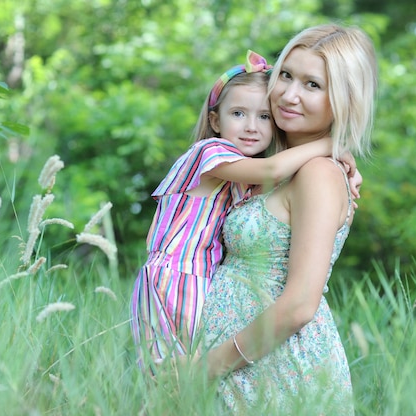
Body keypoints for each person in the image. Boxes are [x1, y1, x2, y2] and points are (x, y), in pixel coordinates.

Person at [130, 50, 357, 373]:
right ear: (215, 120)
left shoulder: (251, 171)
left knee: (177, 380)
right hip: (175, 278)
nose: (252, 127)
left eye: (264, 116)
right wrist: (333, 145)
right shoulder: (210, 154)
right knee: (169, 378)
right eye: (238, 113)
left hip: (199, 281)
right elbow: (274, 168)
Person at [198, 23, 378, 414]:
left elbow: (299, 305)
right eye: (285, 75)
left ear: (344, 100)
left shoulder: (319, 174)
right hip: (237, 366)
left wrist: (206, 369)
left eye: (313, 85)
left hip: (276, 372)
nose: (289, 95)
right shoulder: (268, 167)